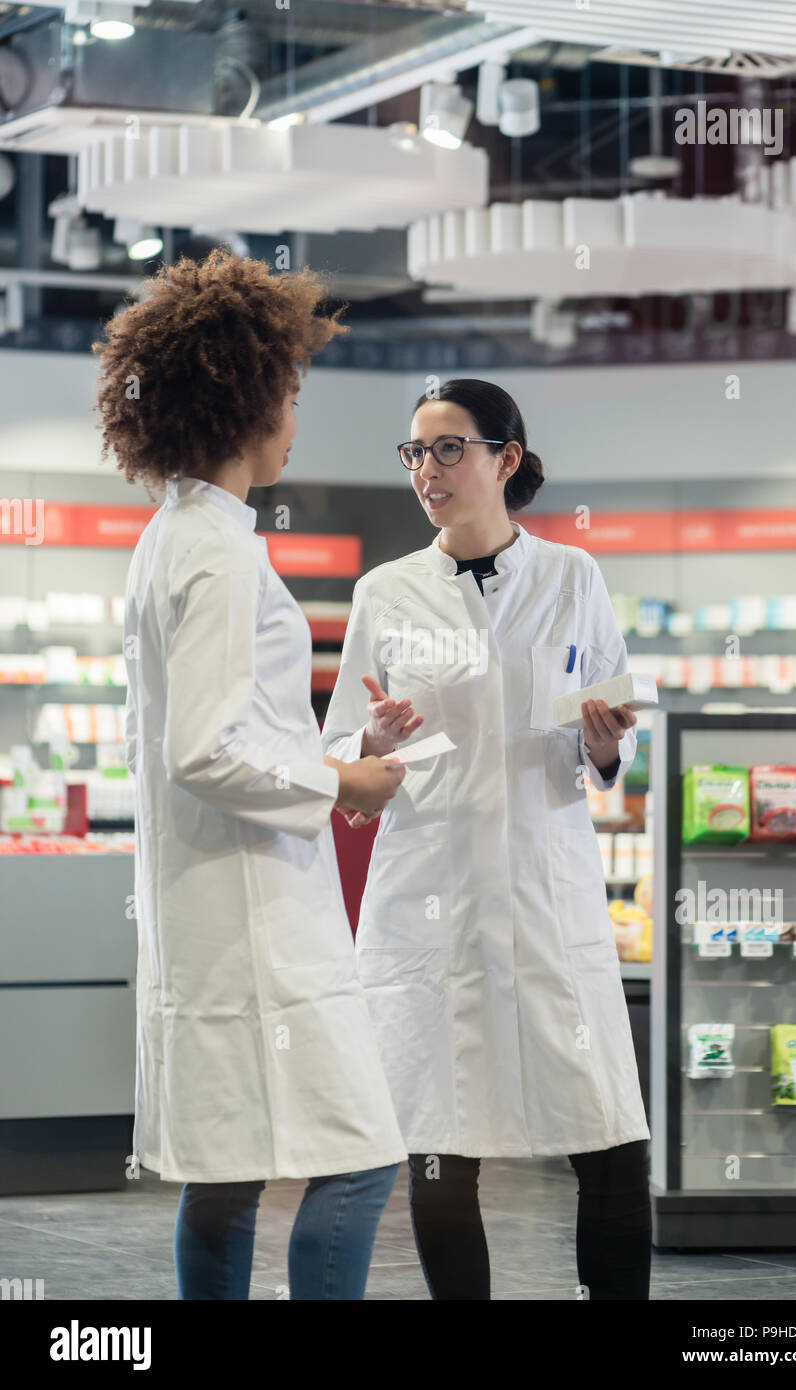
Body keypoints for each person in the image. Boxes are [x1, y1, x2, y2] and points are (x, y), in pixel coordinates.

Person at [92, 249, 408, 1300]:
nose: (297, 418)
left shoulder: (171, 538)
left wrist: (332, 756)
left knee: (224, 1177)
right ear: (249, 394)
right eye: (295, 392)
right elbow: (206, 748)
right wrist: (344, 786)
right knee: (360, 1155)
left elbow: (196, 733)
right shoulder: (221, 554)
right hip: (258, 923)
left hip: (211, 915)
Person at [322, 377, 652, 1300]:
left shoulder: (571, 577)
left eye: (449, 449)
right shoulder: (384, 592)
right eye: (415, 452)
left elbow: (605, 732)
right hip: (432, 894)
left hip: (546, 887)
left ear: (506, 459)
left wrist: (601, 744)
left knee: (608, 1134)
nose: (427, 470)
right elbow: (343, 752)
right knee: (441, 1142)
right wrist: (371, 744)